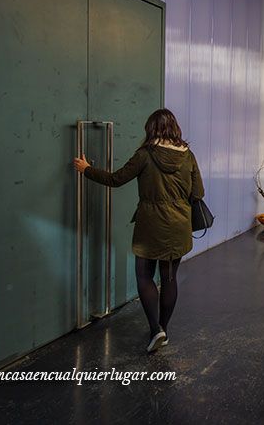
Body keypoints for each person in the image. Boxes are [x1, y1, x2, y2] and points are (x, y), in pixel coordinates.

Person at [73, 109, 204, 353]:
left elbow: (116, 179)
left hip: (150, 224)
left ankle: (156, 329)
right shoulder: (189, 156)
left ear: (151, 129)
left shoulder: (145, 154)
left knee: (144, 275)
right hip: (179, 225)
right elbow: (197, 194)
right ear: (174, 128)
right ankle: (163, 328)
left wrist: (87, 169)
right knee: (169, 278)